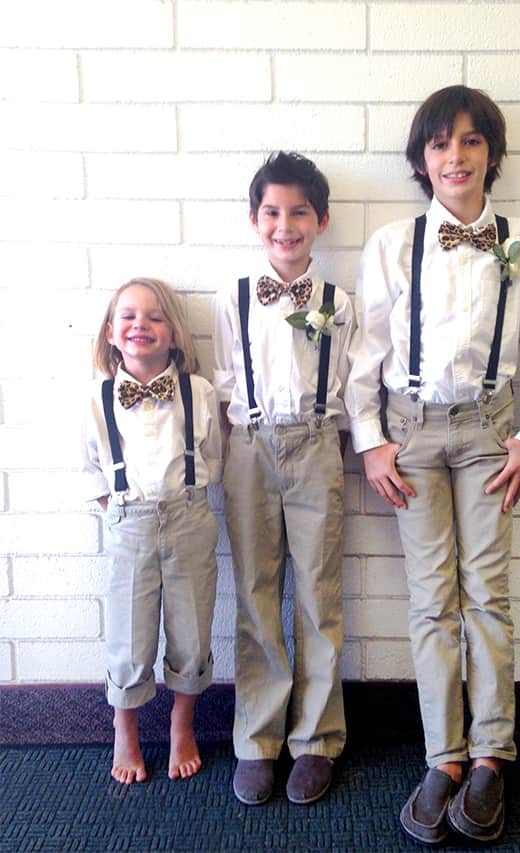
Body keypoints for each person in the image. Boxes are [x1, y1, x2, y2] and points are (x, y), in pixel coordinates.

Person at [345, 86, 520, 844]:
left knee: (487, 592)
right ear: (422, 158)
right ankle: (442, 756)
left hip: (488, 431)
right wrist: (370, 438)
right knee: (430, 599)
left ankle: (490, 755)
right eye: (441, 142)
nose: (456, 156)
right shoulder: (392, 244)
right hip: (409, 434)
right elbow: (365, 352)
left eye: (472, 140)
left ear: (492, 153)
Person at [213, 151, 354, 806]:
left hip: (317, 444)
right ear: (254, 219)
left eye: (300, 212)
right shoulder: (233, 297)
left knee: (319, 593)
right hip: (250, 447)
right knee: (255, 592)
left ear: (321, 220)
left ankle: (317, 737)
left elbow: (345, 379)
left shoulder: (338, 304)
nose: (285, 225)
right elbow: (225, 383)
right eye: (272, 211)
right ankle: (257, 738)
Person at [81, 278, 222, 785]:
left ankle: (182, 725)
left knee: (192, 632)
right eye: (128, 317)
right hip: (129, 525)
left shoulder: (199, 393)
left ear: (175, 333)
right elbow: (92, 471)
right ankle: (125, 728)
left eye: (155, 316)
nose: (140, 325)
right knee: (129, 637)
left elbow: (213, 460)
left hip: (189, 519)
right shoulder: (97, 398)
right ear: (110, 334)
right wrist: (122, 511)